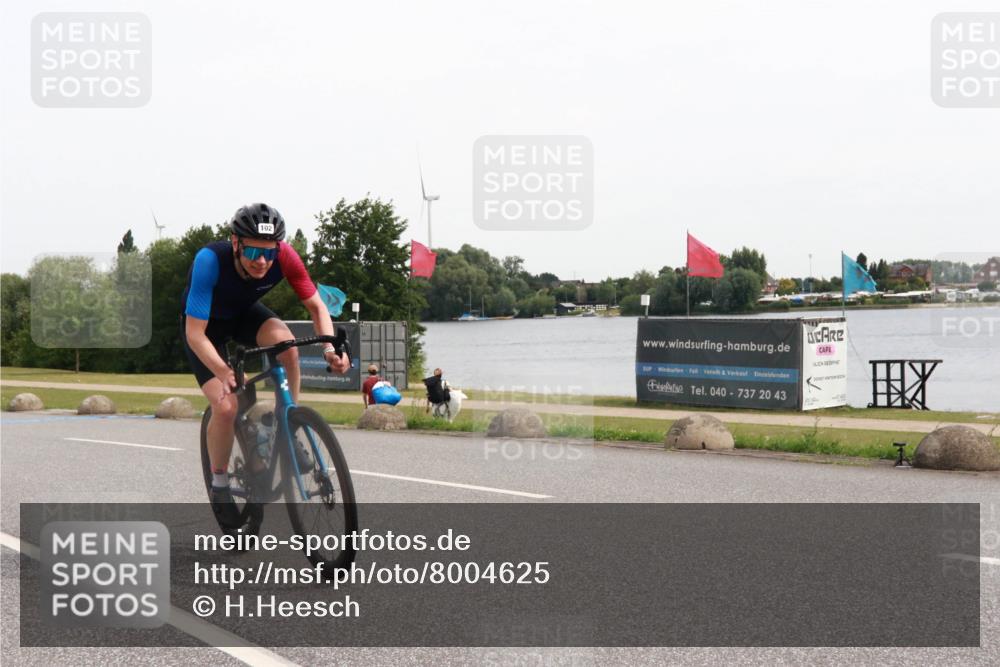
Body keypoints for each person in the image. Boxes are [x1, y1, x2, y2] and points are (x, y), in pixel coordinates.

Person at [181, 203, 350, 529]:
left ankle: (288, 425)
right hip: (205, 329)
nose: (262, 261)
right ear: (236, 243)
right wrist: (223, 371)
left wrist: (329, 347)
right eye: (254, 252)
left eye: (269, 254)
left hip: (244, 315)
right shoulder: (209, 261)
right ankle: (219, 485)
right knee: (227, 406)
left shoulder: (285, 256)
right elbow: (194, 334)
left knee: (288, 348)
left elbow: (317, 307)